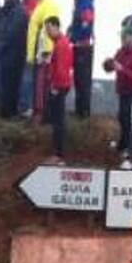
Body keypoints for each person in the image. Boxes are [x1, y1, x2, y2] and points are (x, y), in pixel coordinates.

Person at [105, 26, 132, 167]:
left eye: (125, 37)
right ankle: (123, 146)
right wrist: (109, 64)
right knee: (122, 117)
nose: (122, 40)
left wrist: (122, 69)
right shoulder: (121, 52)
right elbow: (110, 68)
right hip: (123, 91)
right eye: (122, 37)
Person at [23, 0, 60, 119]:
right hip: (36, 51)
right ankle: (40, 113)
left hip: (44, 53)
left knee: (43, 85)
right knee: (38, 85)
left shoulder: (48, 5)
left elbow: (49, 29)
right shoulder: (40, 5)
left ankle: (43, 114)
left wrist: (46, 52)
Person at [0, 0, 29, 118]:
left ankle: (9, 113)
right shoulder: (7, 10)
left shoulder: (18, 11)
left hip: (13, 54)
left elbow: (12, 33)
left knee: (10, 84)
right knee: (4, 84)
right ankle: (5, 112)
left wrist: (1, 46)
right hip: (7, 54)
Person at [44, 17, 73, 164]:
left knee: (58, 121)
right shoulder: (61, 43)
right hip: (61, 84)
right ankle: (58, 153)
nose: (47, 32)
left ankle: (59, 155)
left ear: (56, 27)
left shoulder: (61, 44)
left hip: (60, 86)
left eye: (49, 29)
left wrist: (55, 87)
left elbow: (62, 69)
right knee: (57, 119)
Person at [69, 0, 96, 118]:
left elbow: (86, 25)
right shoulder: (79, 2)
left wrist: (74, 36)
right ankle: (79, 111)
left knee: (83, 81)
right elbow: (76, 22)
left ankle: (83, 113)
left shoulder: (85, 3)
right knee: (78, 80)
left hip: (83, 46)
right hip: (77, 45)